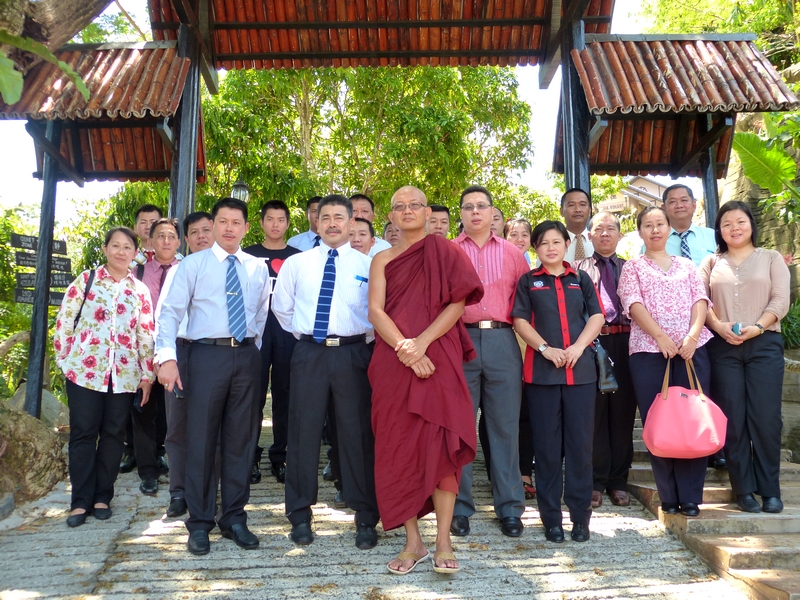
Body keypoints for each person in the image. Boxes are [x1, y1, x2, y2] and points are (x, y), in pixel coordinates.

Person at [369, 186, 483, 574]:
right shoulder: (382, 258)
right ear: (391, 215)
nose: (407, 210)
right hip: (393, 360)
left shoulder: (447, 250)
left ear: (427, 210)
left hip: (439, 354)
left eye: (414, 204)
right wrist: (405, 348)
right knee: (399, 447)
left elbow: (458, 302)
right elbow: (375, 310)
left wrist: (422, 344)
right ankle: (412, 541)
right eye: (398, 206)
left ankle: (444, 540)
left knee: (442, 444)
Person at [157, 197, 271, 555]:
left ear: (245, 228)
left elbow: (262, 314)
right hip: (205, 355)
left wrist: (253, 353)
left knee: (241, 440)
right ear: (215, 224)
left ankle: (234, 518)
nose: (228, 228)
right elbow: (171, 314)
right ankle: (201, 522)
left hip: (246, 357)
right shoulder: (192, 265)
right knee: (202, 439)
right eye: (222, 221)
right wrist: (167, 359)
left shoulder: (257, 267)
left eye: (236, 222)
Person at [272, 194, 380, 550]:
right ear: (315, 223)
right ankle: (300, 515)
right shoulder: (297, 264)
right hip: (309, 353)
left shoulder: (370, 265)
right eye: (325, 217)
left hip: (353, 354)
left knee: (357, 435)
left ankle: (365, 516)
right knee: (302, 434)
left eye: (340, 217)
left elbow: (376, 316)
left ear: (352, 223)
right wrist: (311, 338)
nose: (332, 223)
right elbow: (282, 310)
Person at [54, 227, 155, 527]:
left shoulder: (139, 291)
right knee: (83, 433)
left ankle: (102, 496)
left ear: (135, 253)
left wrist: (147, 374)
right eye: (115, 246)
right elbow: (64, 321)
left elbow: (145, 334)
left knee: (114, 434)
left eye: (127, 247)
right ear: (105, 248)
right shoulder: (86, 281)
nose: (121, 252)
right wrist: (66, 362)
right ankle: (79, 502)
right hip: (85, 373)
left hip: (123, 374)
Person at [511, 221, 604, 543]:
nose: (550, 247)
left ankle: (580, 519)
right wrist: (545, 349)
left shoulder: (582, 279)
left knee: (580, 449)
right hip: (542, 375)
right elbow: (519, 320)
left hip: (581, 375)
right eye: (543, 243)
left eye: (556, 241)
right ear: (535, 248)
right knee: (547, 451)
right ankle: (551, 520)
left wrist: (579, 347)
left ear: (567, 244)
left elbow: (597, 316)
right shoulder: (528, 281)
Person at [618, 206, 712, 518]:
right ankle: (668, 495)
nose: (655, 229)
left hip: (690, 352)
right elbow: (633, 304)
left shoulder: (687, 265)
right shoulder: (632, 267)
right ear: (640, 232)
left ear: (669, 228)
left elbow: (701, 301)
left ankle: (691, 497)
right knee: (658, 421)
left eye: (660, 224)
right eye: (648, 225)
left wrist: (692, 337)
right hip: (648, 353)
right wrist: (659, 336)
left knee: (692, 420)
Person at [699, 201, 790, 514]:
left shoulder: (771, 258)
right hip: (723, 346)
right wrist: (719, 326)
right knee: (733, 420)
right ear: (719, 230)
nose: (734, 228)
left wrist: (758, 326)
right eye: (726, 223)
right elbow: (701, 302)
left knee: (766, 419)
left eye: (740, 221)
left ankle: (771, 490)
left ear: (751, 225)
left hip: (764, 343)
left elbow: (781, 298)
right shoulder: (711, 262)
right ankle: (744, 490)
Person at [451, 185, 529, 539]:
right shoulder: (449, 251)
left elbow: (524, 302)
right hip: (459, 340)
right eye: (468, 207)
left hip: (502, 339)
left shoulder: (513, 253)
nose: (475, 212)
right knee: (460, 428)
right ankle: (458, 507)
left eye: (482, 206)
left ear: (493, 211)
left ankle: (510, 507)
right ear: (461, 214)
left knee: (504, 427)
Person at [657, 185, 727, 468]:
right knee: (683, 392)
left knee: (715, 388)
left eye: (684, 199)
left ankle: (716, 446)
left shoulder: (713, 237)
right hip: (675, 332)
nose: (678, 205)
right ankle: (683, 442)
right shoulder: (657, 241)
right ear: (665, 208)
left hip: (717, 325)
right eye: (671, 201)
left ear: (695, 204)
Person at [154, 211, 214, 518]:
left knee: (213, 426)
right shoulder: (178, 271)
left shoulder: (231, 269)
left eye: (207, 229)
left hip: (215, 355)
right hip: (180, 351)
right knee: (177, 426)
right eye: (195, 232)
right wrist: (165, 359)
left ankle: (208, 491)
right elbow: (164, 317)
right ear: (186, 240)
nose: (202, 236)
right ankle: (178, 492)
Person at [574, 212, 636, 508]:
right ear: (589, 235)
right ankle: (595, 481)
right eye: (599, 228)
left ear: (620, 235)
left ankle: (618, 481)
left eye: (611, 228)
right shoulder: (577, 268)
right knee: (594, 413)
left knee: (623, 412)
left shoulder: (632, 268)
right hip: (591, 342)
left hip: (626, 341)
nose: (605, 233)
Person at [243, 200, 301, 485]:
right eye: (270, 219)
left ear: (288, 224)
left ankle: (281, 456)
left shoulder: (298, 257)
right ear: (261, 223)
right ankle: (249, 456)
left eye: (281, 219)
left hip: (287, 333)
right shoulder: (247, 256)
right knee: (251, 396)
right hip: (254, 332)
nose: (276, 224)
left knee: (284, 395)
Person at [131, 217, 181, 497]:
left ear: (178, 241)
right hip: (144, 347)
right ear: (150, 241)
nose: (165, 241)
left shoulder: (188, 270)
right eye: (160, 236)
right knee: (143, 408)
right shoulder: (136, 272)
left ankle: (173, 464)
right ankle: (148, 471)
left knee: (172, 408)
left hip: (177, 347)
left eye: (171, 236)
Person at [120, 204, 165, 474]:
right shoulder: (129, 261)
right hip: (134, 339)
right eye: (144, 222)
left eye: (154, 222)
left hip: (165, 336)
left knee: (159, 398)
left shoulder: (176, 259)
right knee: (132, 394)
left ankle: (157, 450)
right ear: (136, 227)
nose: (148, 226)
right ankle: (131, 448)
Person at [498, 217, 535, 500]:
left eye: (525, 235)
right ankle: (497, 472)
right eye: (514, 234)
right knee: (500, 411)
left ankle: (523, 471)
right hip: (503, 338)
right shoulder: (500, 265)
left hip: (531, 340)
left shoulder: (536, 271)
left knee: (526, 411)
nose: (520, 239)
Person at [561, 188, 594, 264]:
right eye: (571, 205)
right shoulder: (553, 244)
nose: (578, 210)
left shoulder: (598, 241)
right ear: (562, 211)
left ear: (589, 210)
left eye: (582, 205)